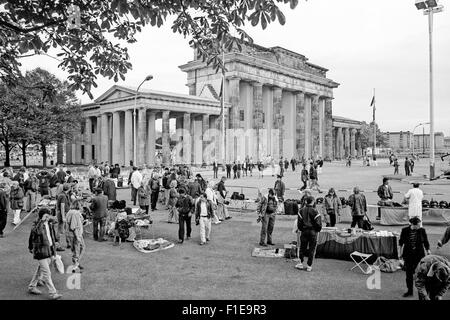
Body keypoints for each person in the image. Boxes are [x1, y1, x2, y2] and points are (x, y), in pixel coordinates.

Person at [27, 207, 62, 300]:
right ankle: (53, 293)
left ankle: (32, 287)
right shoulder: (37, 224)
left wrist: (56, 242)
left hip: (49, 250)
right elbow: (35, 233)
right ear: (41, 216)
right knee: (47, 272)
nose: (48, 217)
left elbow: (53, 233)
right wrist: (41, 221)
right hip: (40, 251)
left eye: (48, 215)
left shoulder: (49, 223)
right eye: (46, 216)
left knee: (40, 270)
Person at [399, 216, 430, 297]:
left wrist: (428, 250)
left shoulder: (422, 231)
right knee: (408, 275)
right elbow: (401, 243)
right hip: (408, 255)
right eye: (418, 225)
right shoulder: (405, 230)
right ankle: (410, 291)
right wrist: (400, 253)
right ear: (413, 224)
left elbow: (426, 242)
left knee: (420, 274)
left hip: (419, 255)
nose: (420, 226)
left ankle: (421, 292)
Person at [295, 196, 322, 272]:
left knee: (302, 248)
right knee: (312, 249)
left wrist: (302, 229)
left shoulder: (301, 211)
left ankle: (300, 263)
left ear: (306, 201)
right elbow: (319, 224)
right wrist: (316, 230)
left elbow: (299, 223)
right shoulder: (316, 211)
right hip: (313, 232)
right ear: (313, 202)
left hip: (304, 231)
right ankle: (309, 266)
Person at [65, 199, 85, 272]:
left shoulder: (70, 212)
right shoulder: (75, 213)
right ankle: (75, 265)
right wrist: (78, 236)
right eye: (81, 205)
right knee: (77, 249)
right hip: (75, 234)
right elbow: (74, 226)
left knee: (77, 248)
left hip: (71, 234)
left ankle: (76, 263)